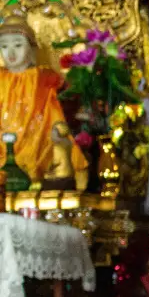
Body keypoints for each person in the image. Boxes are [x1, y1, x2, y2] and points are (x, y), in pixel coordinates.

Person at [0, 16, 88, 185]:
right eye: (4, 46)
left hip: (40, 149)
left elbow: (61, 114)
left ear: (32, 49)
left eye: (18, 45)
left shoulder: (45, 77)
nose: (10, 52)